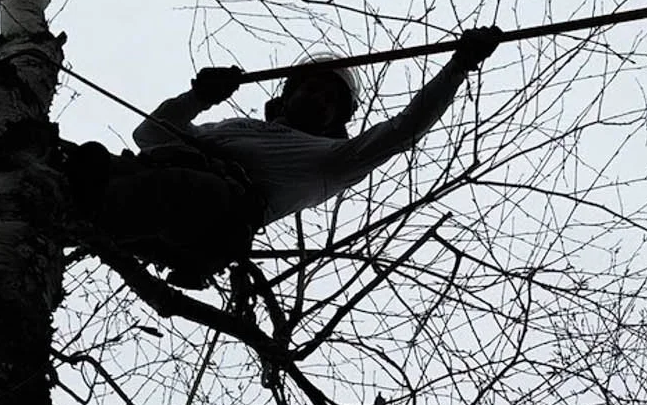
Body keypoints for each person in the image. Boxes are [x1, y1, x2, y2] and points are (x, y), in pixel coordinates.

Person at [69, 28, 502, 286]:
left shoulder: (332, 157)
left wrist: (459, 66)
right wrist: (199, 98)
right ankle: (44, 195)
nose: (318, 99)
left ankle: (75, 206)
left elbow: (402, 130)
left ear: (337, 121)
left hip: (211, 211)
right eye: (310, 88)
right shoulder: (232, 128)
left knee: (179, 186)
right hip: (158, 184)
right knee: (79, 161)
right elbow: (148, 134)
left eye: (330, 100)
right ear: (287, 95)